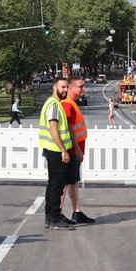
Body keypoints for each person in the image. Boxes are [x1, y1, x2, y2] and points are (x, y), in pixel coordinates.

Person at [39, 76, 75, 230]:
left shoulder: (55, 104)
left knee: (53, 184)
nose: (65, 90)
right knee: (57, 186)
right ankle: (54, 217)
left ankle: (51, 216)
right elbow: (54, 130)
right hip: (56, 150)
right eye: (63, 87)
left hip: (53, 149)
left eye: (67, 87)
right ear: (55, 88)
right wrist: (63, 150)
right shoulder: (54, 105)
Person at [60, 77, 95, 224]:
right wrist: (75, 151)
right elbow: (70, 130)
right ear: (71, 88)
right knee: (65, 182)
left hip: (75, 150)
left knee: (73, 181)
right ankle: (57, 213)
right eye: (81, 86)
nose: (83, 89)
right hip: (72, 151)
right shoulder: (68, 105)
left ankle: (77, 211)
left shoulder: (72, 103)